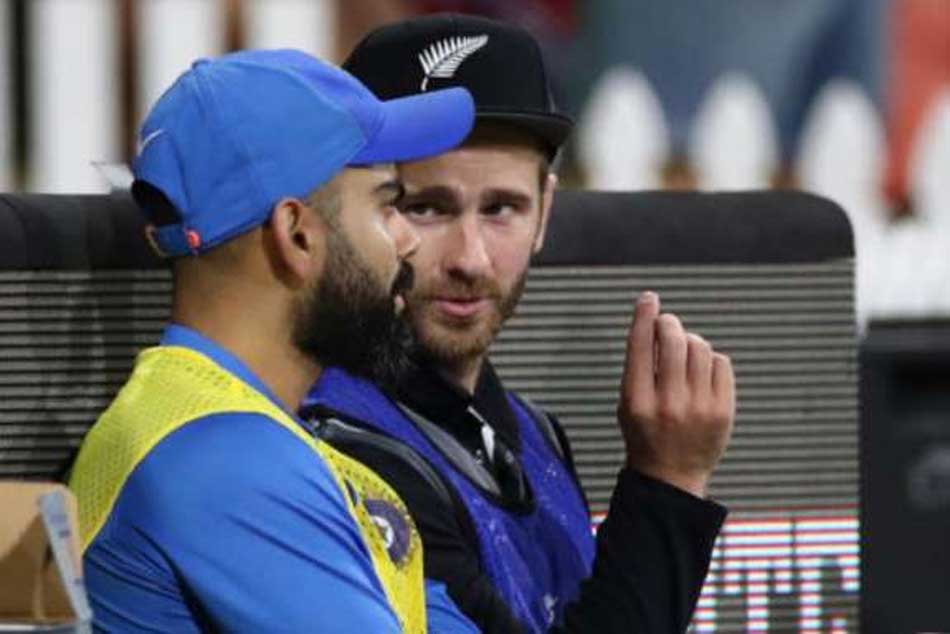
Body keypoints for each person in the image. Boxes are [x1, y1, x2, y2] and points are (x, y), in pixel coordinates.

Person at [302, 14, 735, 633]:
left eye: (502, 208)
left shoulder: (534, 434)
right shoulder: (338, 451)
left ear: (545, 212)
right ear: (352, 212)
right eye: (426, 208)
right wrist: (668, 482)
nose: (470, 259)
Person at [68, 48, 480, 633]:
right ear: (296, 235)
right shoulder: (223, 464)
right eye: (387, 205)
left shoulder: (243, 437)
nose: (410, 239)